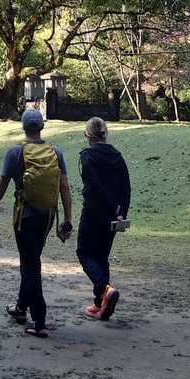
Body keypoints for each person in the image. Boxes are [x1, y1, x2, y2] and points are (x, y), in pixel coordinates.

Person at [0, 108, 74, 338]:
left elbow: (1, 183)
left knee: (30, 265)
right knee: (31, 260)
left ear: (23, 127)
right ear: (42, 127)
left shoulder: (15, 152)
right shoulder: (56, 152)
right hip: (47, 216)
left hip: (25, 217)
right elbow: (65, 186)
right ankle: (20, 307)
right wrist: (68, 218)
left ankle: (39, 320)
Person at [76, 117, 131, 321]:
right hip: (112, 217)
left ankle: (105, 289)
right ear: (105, 134)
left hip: (93, 213)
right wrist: (121, 211)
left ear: (87, 135)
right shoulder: (117, 156)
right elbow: (126, 187)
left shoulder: (87, 156)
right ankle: (100, 304)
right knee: (101, 257)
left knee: (84, 253)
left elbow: (95, 186)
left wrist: (110, 206)